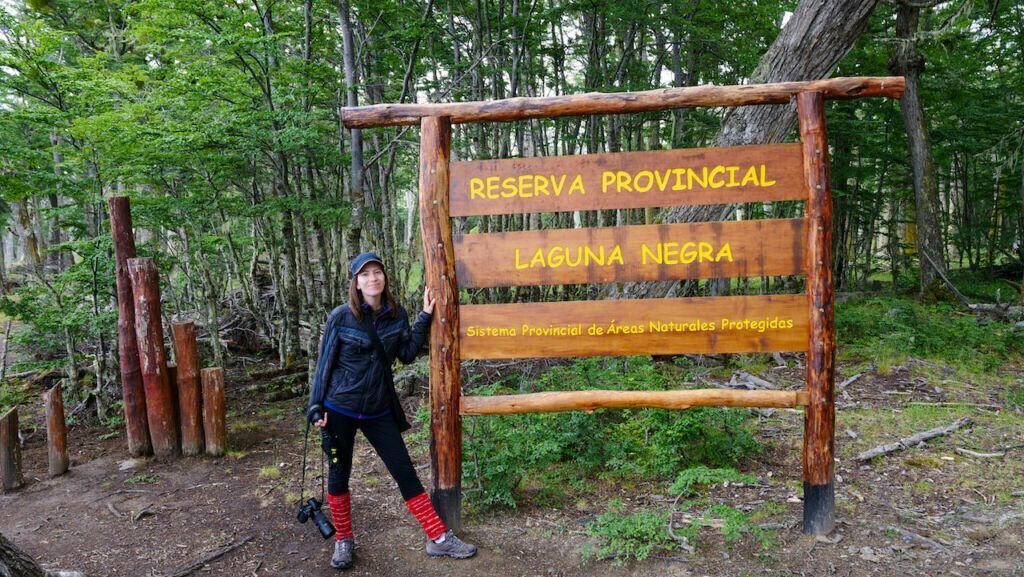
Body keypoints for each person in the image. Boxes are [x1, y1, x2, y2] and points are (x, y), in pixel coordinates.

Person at [306, 252, 477, 570]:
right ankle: (344, 539)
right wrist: (315, 406)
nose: (373, 279)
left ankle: (438, 537)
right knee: (338, 474)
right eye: (365, 275)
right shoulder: (340, 317)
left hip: (377, 409)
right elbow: (324, 365)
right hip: (339, 408)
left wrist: (425, 316)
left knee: (404, 472)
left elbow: (408, 354)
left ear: (384, 278)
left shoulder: (396, 316)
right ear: (356, 283)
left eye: (377, 273)